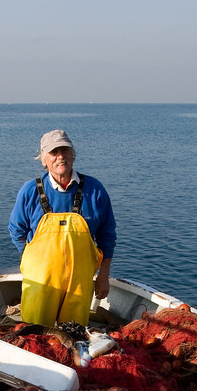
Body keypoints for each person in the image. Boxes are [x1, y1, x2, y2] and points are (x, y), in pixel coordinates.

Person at [8, 130, 116, 327]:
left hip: (79, 285)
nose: (60, 157)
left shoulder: (95, 190)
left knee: (74, 335)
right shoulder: (29, 191)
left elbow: (107, 237)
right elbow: (16, 231)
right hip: (41, 283)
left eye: (65, 150)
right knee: (35, 335)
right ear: (43, 159)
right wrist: (35, 262)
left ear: (73, 154)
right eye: (53, 152)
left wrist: (103, 276)